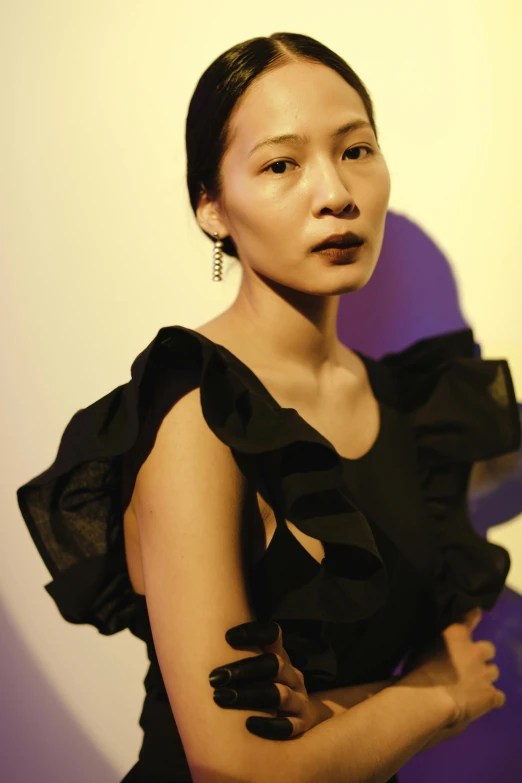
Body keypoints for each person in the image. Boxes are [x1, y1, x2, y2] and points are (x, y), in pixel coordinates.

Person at [16, 31, 521, 783]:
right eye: (282, 164)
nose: (336, 193)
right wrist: (432, 701)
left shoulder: (409, 405)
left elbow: (466, 648)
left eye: (355, 150)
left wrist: (333, 709)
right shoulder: (199, 418)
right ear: (212, 206)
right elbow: (233, 768)